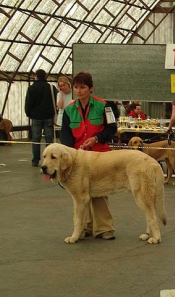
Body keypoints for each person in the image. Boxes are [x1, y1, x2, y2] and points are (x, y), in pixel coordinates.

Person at [60, 71, 117, 240]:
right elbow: (66, 136)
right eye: (76, 87)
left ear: (90, 88)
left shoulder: (105, 106)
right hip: (78, 159)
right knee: (80, 194)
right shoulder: (69, 109)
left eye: (82, 87)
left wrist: (97, 138)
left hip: (100, 156)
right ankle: (85, 227)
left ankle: (105, 228)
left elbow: (112, 128)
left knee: (99, 192)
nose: (79, 90)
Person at [25, 69, 58, 167]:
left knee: (36, 139)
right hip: (48, 117)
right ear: (45, 76)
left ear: (36, 76)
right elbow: (55, 101)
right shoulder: (51, 88)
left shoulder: (31, 88)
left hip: (36, 117)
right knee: (49, 139)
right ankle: (50, 159)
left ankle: (35, 160)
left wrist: (29, 114)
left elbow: (28, 103)